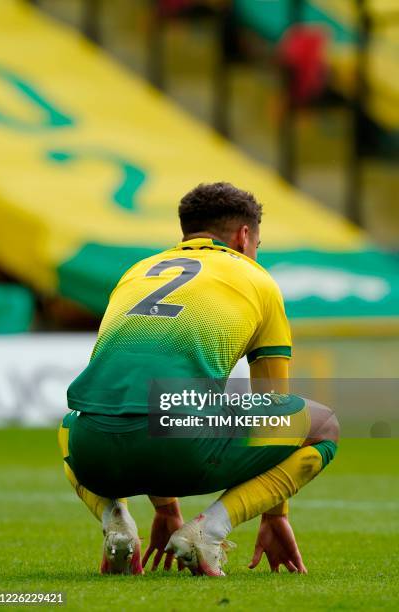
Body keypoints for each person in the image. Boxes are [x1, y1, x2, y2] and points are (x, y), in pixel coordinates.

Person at [58, 182, 339, 576]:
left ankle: (114, 520)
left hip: (95, 458)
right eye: (258, 243)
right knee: (324, 425)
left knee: (72, 423)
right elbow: (273, 401)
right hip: (181, 452)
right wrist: (275, 515)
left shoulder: (135, 273)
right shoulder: (257, 279)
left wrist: (165, 509)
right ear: (244, 236)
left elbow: (137, 389)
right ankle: (210, 531)